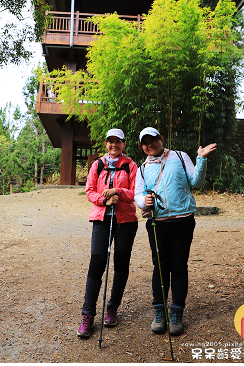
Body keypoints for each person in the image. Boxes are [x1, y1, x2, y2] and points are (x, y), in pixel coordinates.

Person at [134, 127, 217, 336]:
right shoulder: (142, 168)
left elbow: (196, 182)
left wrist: (202, 160)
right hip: (157, 222)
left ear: (161, 139)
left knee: (179, 266)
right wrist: (143, 201)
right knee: (159, 267)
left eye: (153, 140)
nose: (149, 145)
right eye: (145, 143)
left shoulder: (180, 157)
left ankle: (176, 312)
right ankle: (159, 312)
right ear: (141, 146)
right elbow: (138, 193)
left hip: (183, 220)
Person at [77, 129, 138, 338]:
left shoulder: (131, 166)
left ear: (124, 143)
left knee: (121, 262)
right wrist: (104, 200)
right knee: (97, 262)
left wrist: (118, 192)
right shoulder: (98, 164)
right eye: (110, 142)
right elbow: (89, 190)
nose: (114, 145)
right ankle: (88, 315)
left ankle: (112, 307)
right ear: (106, 144)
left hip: (126, 220)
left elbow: (136, 193)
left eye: (118, 142)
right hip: (102, 219)